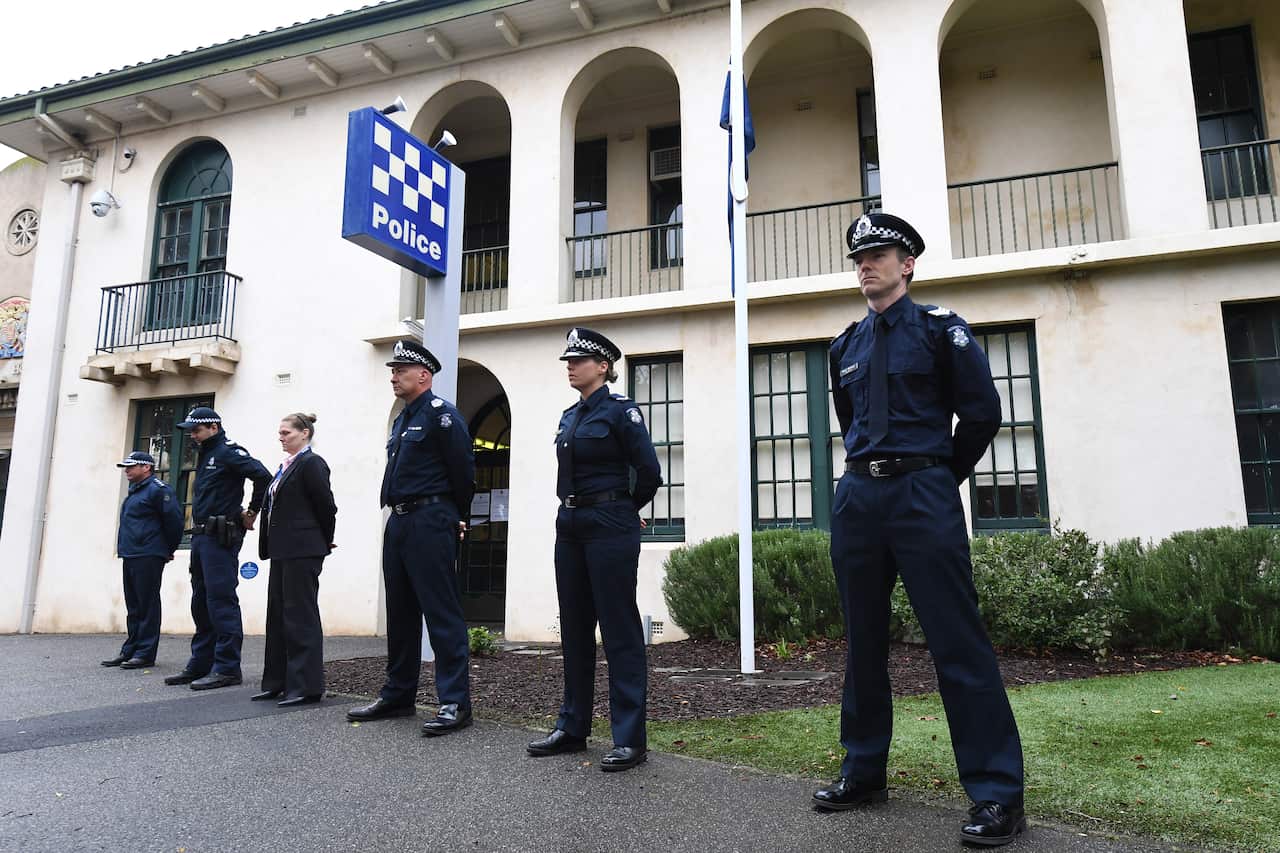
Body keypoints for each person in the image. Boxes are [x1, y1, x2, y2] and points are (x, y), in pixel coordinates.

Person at [817, 212, 1026, 846]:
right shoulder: (844, 346)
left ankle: (996, 795)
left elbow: (982, 415)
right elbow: (850, 416)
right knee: (862, 641)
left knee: (956, 642)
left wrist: (938, 477)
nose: (866, 264)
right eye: (860, 256)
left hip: (922, 491)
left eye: (879, 254)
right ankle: (864, 769)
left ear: (907, 263)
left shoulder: (942, 332)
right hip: (859, 496)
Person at [526, 328, 662, 772]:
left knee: (619, 629)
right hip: (570, 524)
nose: (570, 366)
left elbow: (648, 472)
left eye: (579, 360)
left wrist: (624, 509)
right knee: (576, 627)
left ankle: (629, 738)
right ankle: (573, 726)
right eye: (568, 360)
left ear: (603, 366)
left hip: (609, 524)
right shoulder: (570, 416)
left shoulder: (623, 412)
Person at [347, 340, 476, 736]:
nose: (393, 376)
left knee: (441, 614)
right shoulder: (403, 419)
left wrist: (455, 516)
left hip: (431, 519)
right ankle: (398, 695)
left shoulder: (442, 416)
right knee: (400, 613)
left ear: (424, 375)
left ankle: (454, 702)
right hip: (399, 521)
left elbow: (464, 473)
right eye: (392, 370)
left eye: (401, 370)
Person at [163, 407, 272, 691]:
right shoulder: (206, 453)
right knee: (201, 602)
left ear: (213, 427)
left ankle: (226, 668)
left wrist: (251, 512)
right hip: (201, 536)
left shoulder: (227, 451)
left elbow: (263, 476)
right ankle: (201, 662)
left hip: (220, 536)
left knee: (221, 601)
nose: (193, 436)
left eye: (196, 430)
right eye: (190, 432)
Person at [251, 413, 337, 707]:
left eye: (286, 432)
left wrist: (324, 539)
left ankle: (305, 686)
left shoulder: (311, 463)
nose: (281, 437)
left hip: (303, 549)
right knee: (277, 615)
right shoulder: (284, 466)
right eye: (280, 432)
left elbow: (327, 506)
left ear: (305, 433)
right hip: (282, 550)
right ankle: (277, 682)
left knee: (300, 616)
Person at [101, 451, 183, 670]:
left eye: (131, 466)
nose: (126, 470)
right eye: (125, 467)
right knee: (134, 604)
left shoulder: (158, 490)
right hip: (132, 552)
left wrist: (168, 549)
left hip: (148, 553)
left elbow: (174, 522)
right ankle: (131, 649)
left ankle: (145, 652)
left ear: (146, 467)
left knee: (147, 604)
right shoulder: (136, 491)